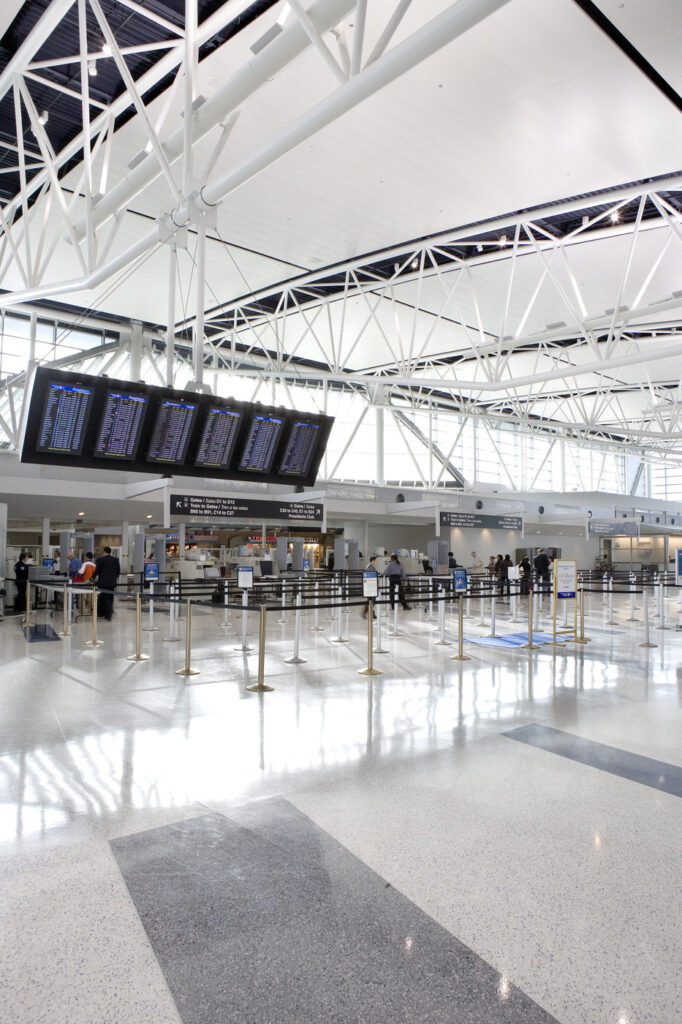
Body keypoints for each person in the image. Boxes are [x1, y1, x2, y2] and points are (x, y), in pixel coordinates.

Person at [91, 545, 120, 620]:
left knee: (104, 597)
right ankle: (107, 613)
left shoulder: (100, 560)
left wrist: (92, 578)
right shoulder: (116, 559)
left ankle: (107, 614)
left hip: (103, 582)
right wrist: (114, 578)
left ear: (104, 552)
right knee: (110, 597)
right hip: (112, 582)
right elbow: (118, 571)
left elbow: (97, 571)